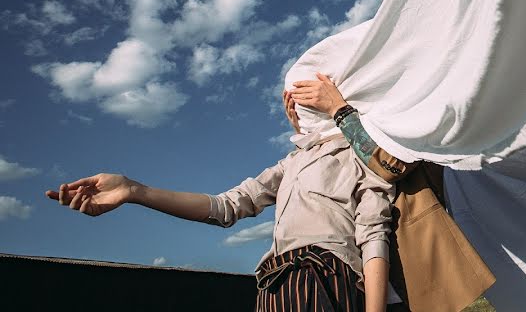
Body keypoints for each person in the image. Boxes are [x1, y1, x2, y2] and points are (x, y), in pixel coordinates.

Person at [46, 81, 394, 312]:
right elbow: (225, 207)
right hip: (274, 285)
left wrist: (337, 109)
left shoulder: (363, 153)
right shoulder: (292, 162)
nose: (296, 102)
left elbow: (373, 235)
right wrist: (134, 191)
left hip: (324, 280)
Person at [285, 75, 495, 312]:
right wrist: (310, 135)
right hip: (355, 286)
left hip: (411, 279)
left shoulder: (407, 116)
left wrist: (337, 108)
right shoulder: (349, 133)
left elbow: (390, 165)